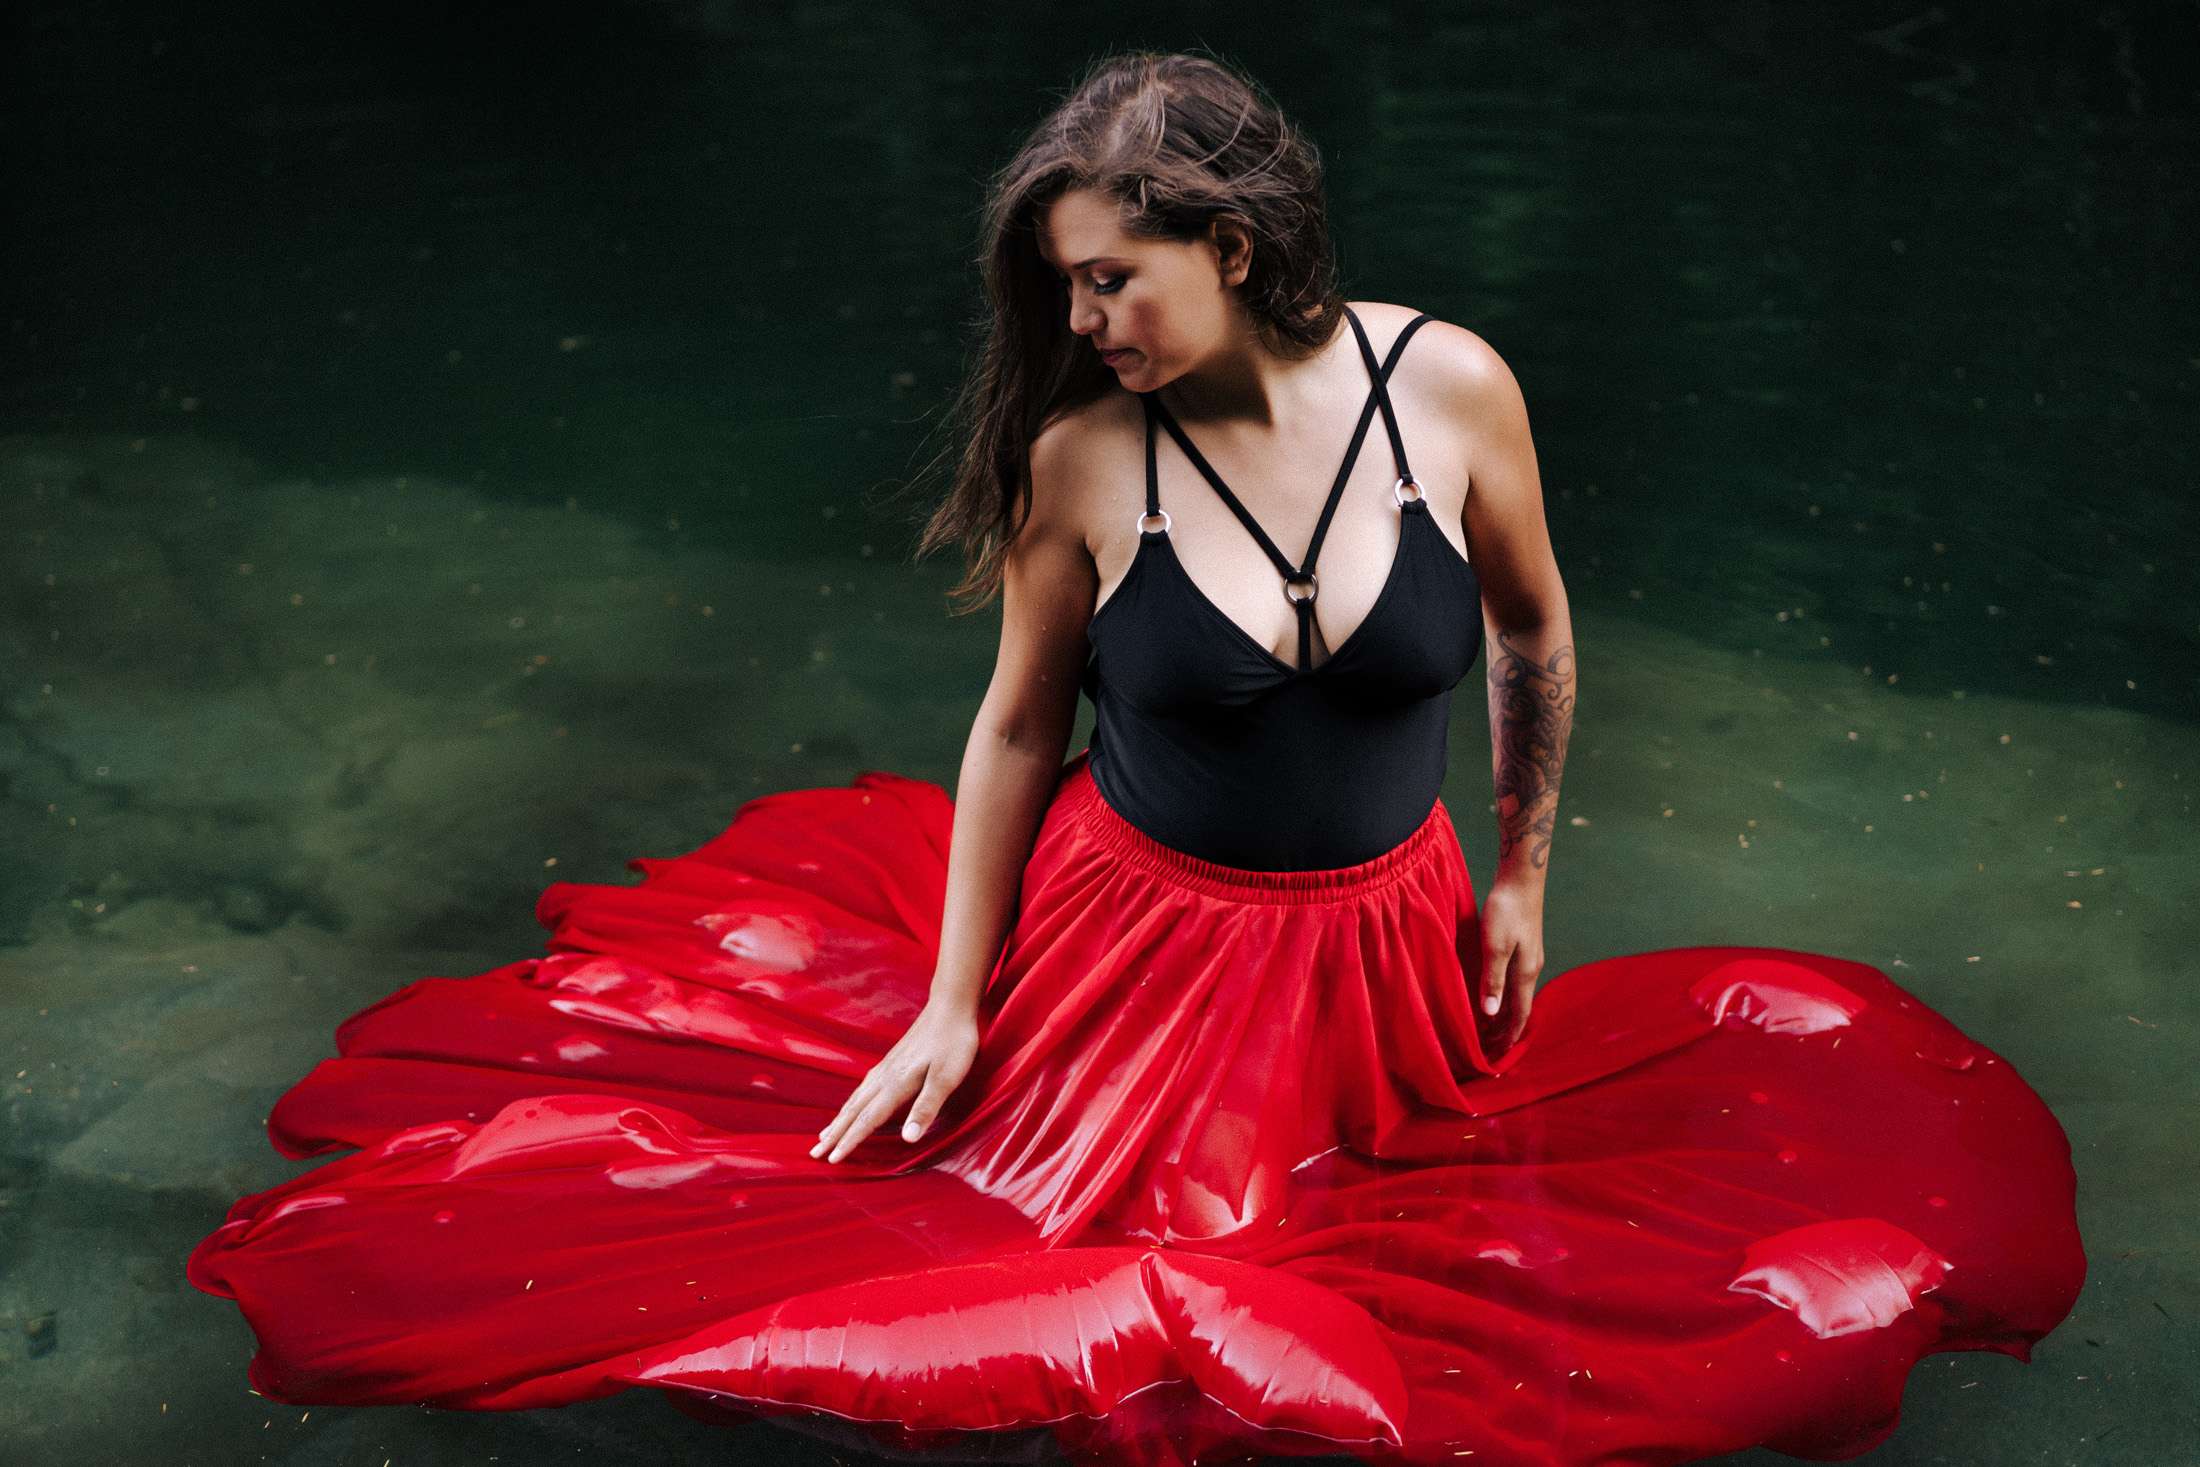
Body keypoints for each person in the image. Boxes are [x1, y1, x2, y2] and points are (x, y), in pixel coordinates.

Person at [188, 49, 2085, 1467]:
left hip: (1385, 948)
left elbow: (1532, 633)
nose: (1081, 325)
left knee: (1445, 1276)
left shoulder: (1454, 388)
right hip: (1144, 965)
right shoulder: (1089, 461)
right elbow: (1019, 725)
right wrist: (951, 1002)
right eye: (1068, 290)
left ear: (1234, 249)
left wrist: (1519, 870)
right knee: (1133, 1321)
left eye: (1109, 282)